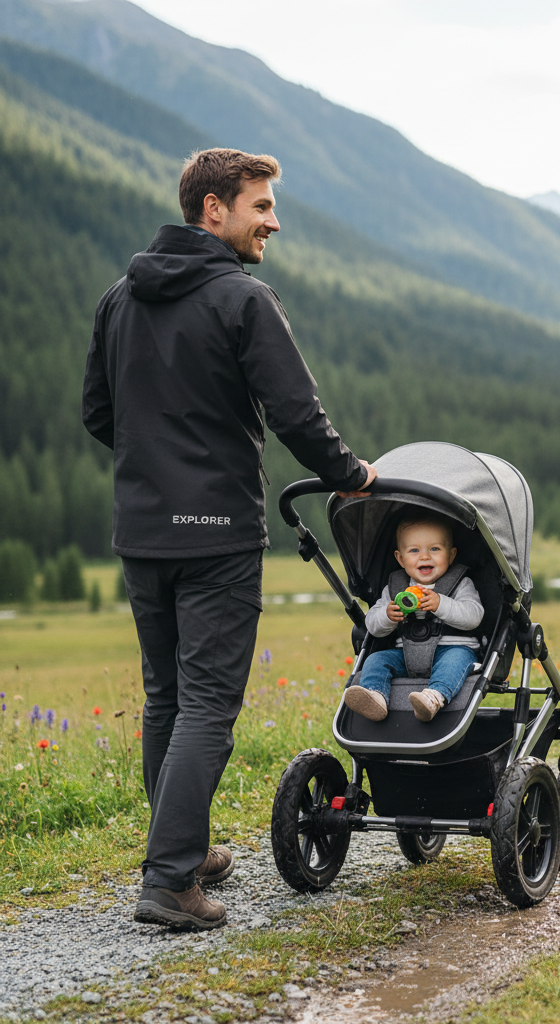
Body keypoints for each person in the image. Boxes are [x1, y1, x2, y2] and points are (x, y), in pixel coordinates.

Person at [82, 148, 377, 931]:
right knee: (207, 703)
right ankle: (170, 881)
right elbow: (296, 414)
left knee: (166, 698)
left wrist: (157, 465)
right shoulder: (243, 299)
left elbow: (98, 416)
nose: (273, 221)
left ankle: (186, 848)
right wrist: (352, 476)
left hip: (142, 533)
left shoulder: (119, 298)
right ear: (213, 209)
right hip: (216, 534)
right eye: (261, 206)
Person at [344, 515, 483, 722]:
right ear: (400, 558)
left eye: (435, 549)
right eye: (414, 550)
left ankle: (433, 698)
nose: (425, 557)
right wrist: (388, 616)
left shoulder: (461, 583)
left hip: (453, 648)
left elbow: (474, 616)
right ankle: (375, 697)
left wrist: (441, 604)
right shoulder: (394, 588)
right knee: (376, 659)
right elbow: (372, 624)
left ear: (451, 555)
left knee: (455, 661)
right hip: (405, 654)